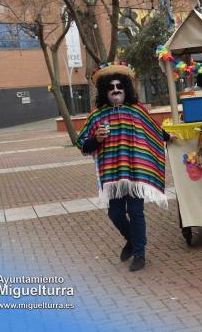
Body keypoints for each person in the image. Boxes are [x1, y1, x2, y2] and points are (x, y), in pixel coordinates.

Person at [76, 63, 173, 272]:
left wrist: (171, 138)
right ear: (105, 91)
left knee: (136, 212)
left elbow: (155, 130)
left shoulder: (137, 110)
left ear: (126, 88)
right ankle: (131, 239)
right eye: (111, 87)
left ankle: (139, 253)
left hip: (136, 171)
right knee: (115, 214)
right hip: (112, 175)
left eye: (119, 86)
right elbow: (82, 142)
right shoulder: (96, 115)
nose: (116, 90)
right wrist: (96, 139)